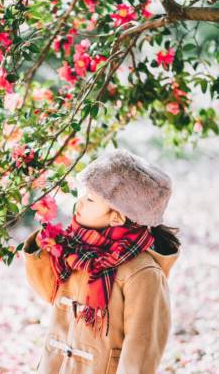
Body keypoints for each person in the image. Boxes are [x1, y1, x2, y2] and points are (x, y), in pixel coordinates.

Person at [23, 147, 181, 374]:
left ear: (117, 217)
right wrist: (41, 250)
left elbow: (142, 346)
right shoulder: (75, 252)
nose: (80, 203)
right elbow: (48, 292)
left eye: (90, 199)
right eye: (82, 194)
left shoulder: (142, 272)